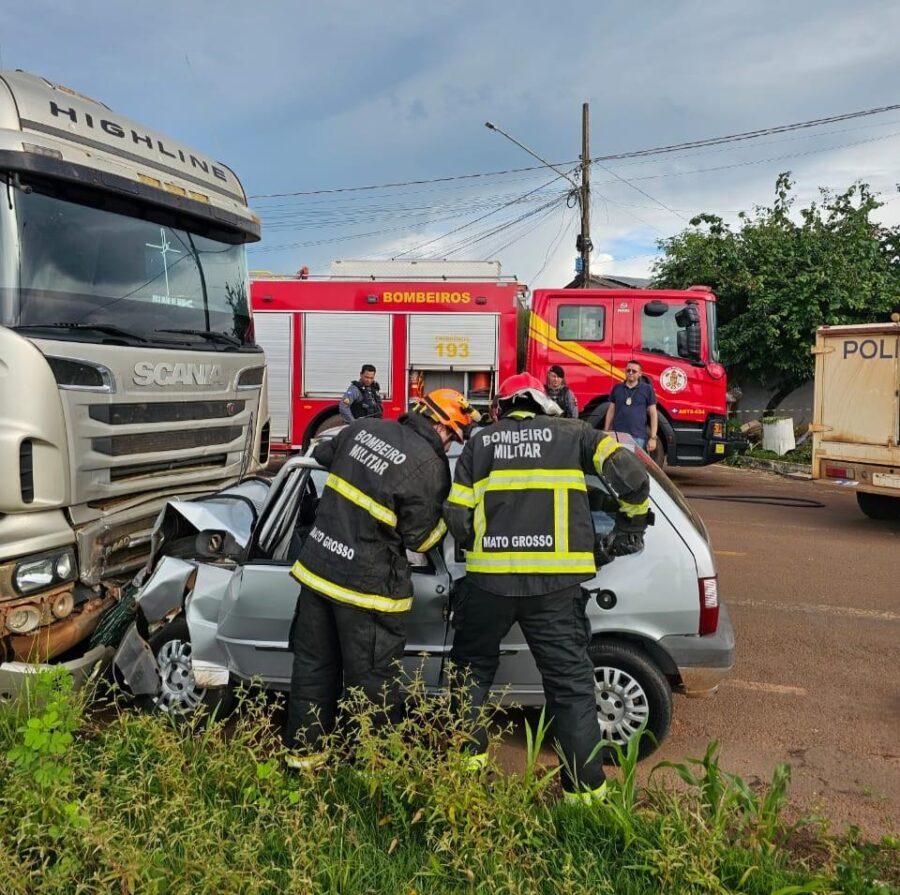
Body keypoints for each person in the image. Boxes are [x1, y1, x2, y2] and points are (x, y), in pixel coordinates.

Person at [445, 373, 651, 803]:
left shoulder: (480, 444)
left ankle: (466, 770)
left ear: (503, 406)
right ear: (545, 403)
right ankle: (585, 795)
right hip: (555, 590)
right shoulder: (576, 435)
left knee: (471, 671)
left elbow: (458, 517)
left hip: (488, 586)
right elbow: (631, 474)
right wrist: (631, 523)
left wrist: (477, 548)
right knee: (570, 686)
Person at [284, 389, 481, 769]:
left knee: (312, 672)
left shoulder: (363, 428)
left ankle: (304, 762)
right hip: (367, 591)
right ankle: (372, 772)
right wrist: (451, 515)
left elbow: (324, 456)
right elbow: (420, 539)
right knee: (374, 687)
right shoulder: (430, 466)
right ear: (441, 425)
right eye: (452, 435)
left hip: (318, 574)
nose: (449, 444)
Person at [604, 360, 658, 453]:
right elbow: (611, 410)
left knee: (634, 466)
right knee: (618, 464)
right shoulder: (617, 388)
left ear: (640, 374)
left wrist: (653, 438)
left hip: (638, 436)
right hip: (618, 435)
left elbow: (653, 413)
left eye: (634, 371)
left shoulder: (647, 389)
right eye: (628, 370)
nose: (630, 373)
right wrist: (606, 430)